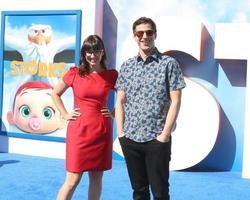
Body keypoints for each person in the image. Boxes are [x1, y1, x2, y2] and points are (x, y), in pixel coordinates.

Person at [115, 17, 186, 200]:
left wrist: (164, 136)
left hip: (157, 140)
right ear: (134, 37)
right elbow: (120, 101)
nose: (144, 36)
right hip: (130, 139)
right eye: (140, 33)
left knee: (160, 193)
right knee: (139, 192)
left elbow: (176, 101)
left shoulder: (169, 64)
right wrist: (121, 133)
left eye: (148, 32)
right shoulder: (127, 66)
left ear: (155, 34)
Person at [52, 35, 118, 200]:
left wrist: (113, 113)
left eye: (96, 51)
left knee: (96, 179)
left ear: (103, 53)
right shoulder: (74, 73)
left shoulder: (112, 75)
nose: (92, 55)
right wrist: (65, 114)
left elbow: (127, 96)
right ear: (83, 53)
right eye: (88, 51)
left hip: (101, 131)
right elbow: (55, 93)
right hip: (79, 131)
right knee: (72, 179)